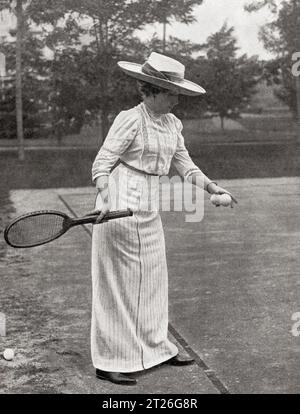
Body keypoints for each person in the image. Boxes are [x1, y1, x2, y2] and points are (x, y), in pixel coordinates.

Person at [91, 52, 237, 386]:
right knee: (118, 284)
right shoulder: (129, 119)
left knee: (154, 278)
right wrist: (103, 194)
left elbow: (185, 165)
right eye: (173, 94)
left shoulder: (172, 124)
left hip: (149, 203)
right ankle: (112, 359)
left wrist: (213, 187)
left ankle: (157, 348)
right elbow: (103, 163)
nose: (177, 100)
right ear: (152, 91)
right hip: (119, 200)